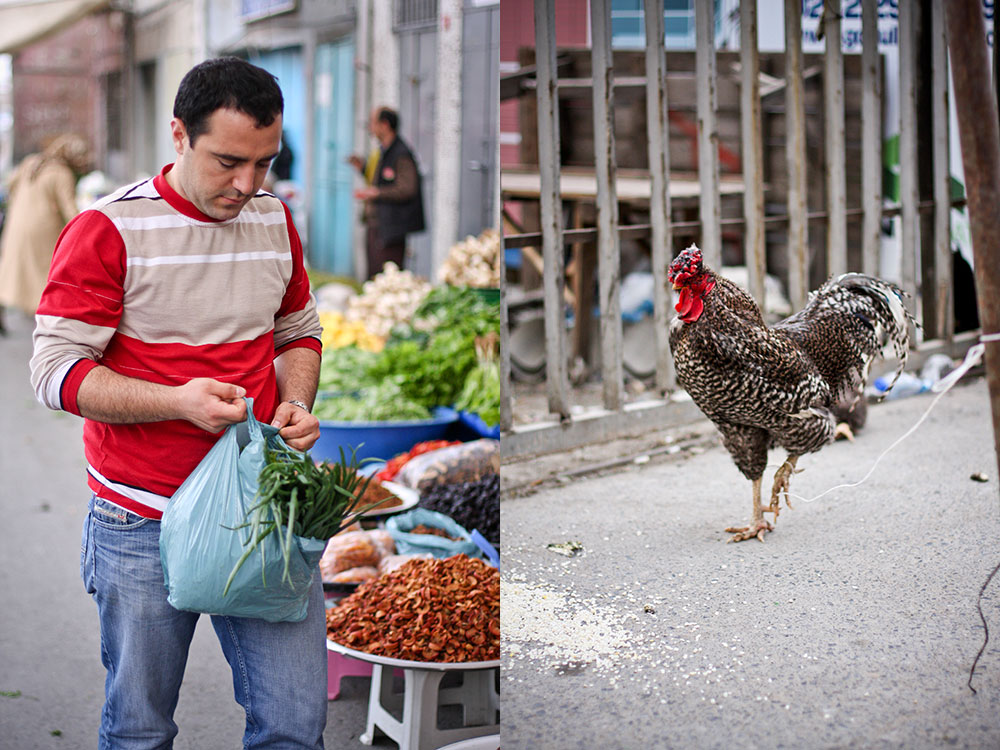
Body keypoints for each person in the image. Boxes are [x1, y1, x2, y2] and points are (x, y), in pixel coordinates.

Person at [29, 58, 327, 749]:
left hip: (263, 515)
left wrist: (296, 399)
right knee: (139, 730)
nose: (248, 184)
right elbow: (55, 374)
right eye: (228, 162)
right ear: (179, 136)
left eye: (265, 163)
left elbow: (298, 332)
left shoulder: (273, 219)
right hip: (141, 519)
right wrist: (175, 402)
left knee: (293, 726)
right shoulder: (108, 229)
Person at [0, 133, 91, 330]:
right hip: (44, 231)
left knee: (14, 271)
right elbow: (70, 210)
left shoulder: (30, 162)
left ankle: (6, 309)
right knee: (45, 275)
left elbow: (10, 184)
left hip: (17, 226)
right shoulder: (61, 173)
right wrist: (89, 226)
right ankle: (46, 320)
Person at [348, 106, 425, 278]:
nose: (370, 128)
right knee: (374, 274)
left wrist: (376, 193)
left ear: (385, 125)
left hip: (391, 229)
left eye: (373, 123)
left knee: (387, 277)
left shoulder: (401, 154)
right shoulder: (383, 151)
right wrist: (363, 168)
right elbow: (382, 179)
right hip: (378, 225)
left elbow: (407, 188)